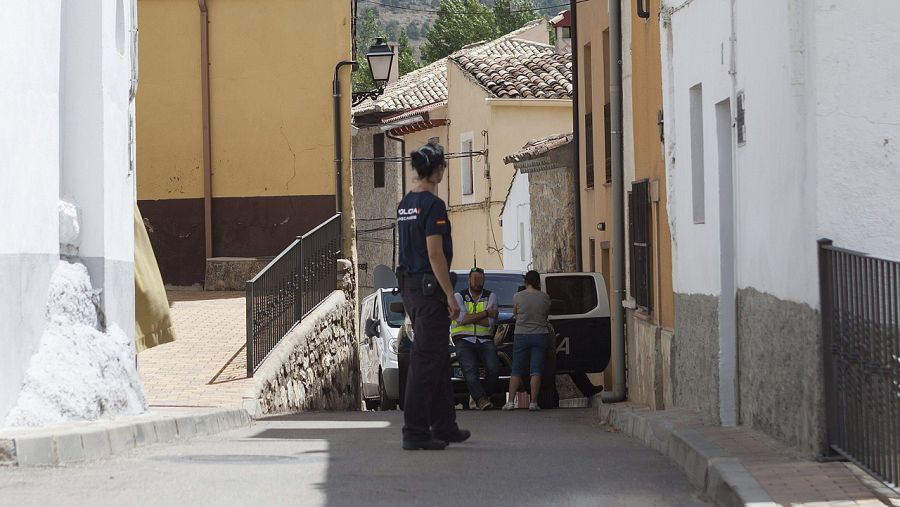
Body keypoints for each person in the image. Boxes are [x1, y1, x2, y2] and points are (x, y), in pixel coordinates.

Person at [396, 141, 470, 451]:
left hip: (411, 288)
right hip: (430, 292)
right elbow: (435, 253)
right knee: (425, 360)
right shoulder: (433, 205)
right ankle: (415, 431)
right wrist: (451, 295)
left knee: (437, 357)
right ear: (437, 171)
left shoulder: (405, 204)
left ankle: (445, 425)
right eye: (443, 169)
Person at [451, 267, 500, 410]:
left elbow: (490, 323)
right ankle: (481, 399)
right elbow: (461, 320)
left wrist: (469, 318)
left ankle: (482, 396)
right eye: (475, 279)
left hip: (485, 339)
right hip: (463, 339)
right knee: (470, 369)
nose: (478, 282)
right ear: (469, 280)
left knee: (494, 369)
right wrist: (486, 312)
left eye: (481, 279)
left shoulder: (491, 296)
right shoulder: (459, 297)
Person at [503, 270, 551, 411]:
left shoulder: (518, 296)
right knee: (536, 370)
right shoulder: (545, 297)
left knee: (516, 369)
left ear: (526, 282)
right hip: (540, 335)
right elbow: (546, 315)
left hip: (521, 335)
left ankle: (510, 402)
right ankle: (533, 402)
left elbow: (515, 314)